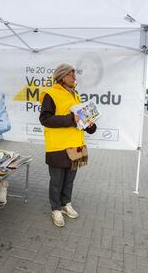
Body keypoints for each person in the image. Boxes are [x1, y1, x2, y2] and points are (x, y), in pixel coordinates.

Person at [39, 63, 97, 227]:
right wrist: (71, 119)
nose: (75, 78)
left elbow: (80, 119)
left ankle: (66, 204)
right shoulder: (51, 94)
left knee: (69, 180)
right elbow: (45, 119)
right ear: (62, 76)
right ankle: (55, 208)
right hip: (58, 147)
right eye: (72, 75)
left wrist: (90, 124)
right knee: (56, 181)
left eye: (74, 75)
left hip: (76, 146)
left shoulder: (75, 95)